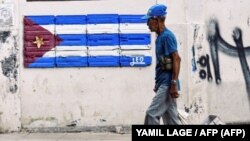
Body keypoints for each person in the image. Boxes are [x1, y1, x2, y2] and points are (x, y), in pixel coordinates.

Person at [142, 4, 181, 125]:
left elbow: (177, 59)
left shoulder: (167, 36)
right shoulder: (160, 38)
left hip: (168, 84)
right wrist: (157, 83)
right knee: (171, 120)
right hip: (163, 84)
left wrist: (173, 83)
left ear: (157, 20)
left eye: (149, 20)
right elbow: (164, 63)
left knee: (151, 114)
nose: (147, 23)